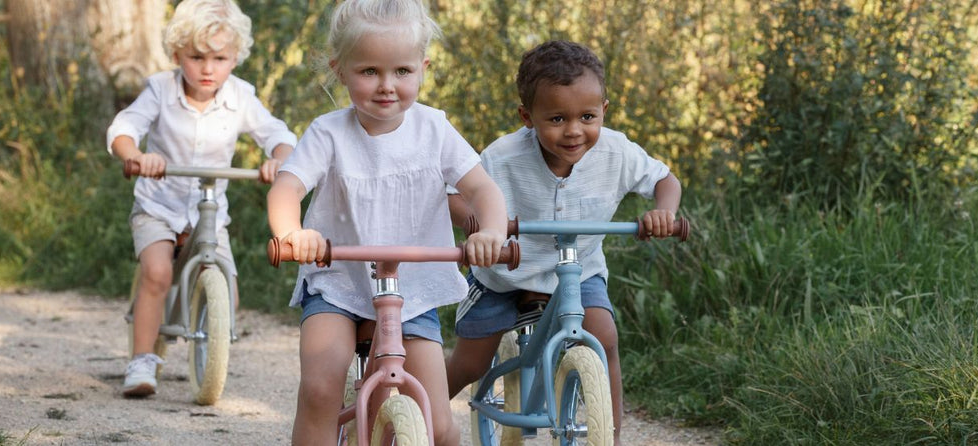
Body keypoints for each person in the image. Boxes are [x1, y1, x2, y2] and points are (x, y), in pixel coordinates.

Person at [266, 1, 507, 444]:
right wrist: (291, 233)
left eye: (401, 71)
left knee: (438, 425)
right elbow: (286, 188)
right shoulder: (329, 132)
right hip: (336, 281)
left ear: (422, 68)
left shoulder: (434, 130)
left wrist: (491, 230)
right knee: (320, 387)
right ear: (340, 70)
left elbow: (482, 190)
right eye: (369, 71)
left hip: (411, 292)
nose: (386, 86)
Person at [445, 40, 683, 445]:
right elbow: (455, 192)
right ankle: (413, 416)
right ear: (527, 117)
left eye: (587, 116)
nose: (574, 130)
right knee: (471, 361)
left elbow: (665, 180)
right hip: (505, 273)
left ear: (604, 110)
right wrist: (479, 224)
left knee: (605, 338)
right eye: (556, 118)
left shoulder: (616, 151)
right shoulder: (503, 157)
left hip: (578, 270)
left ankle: (609, 437)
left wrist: (664, 211)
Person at [106, 0, 296, 398]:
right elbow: (125, 127)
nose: (208, 69)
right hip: (158, 206)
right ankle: (142, 359)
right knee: (157, 274)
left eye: (220, 58)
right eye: (196, 57)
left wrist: (276, 161)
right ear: (177, 55)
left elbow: (279, 135)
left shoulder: (241, 96)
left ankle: (210, 350)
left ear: (236, 58)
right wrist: (137, 156)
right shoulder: (160, 89)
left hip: (210, 212)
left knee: (229, 288)